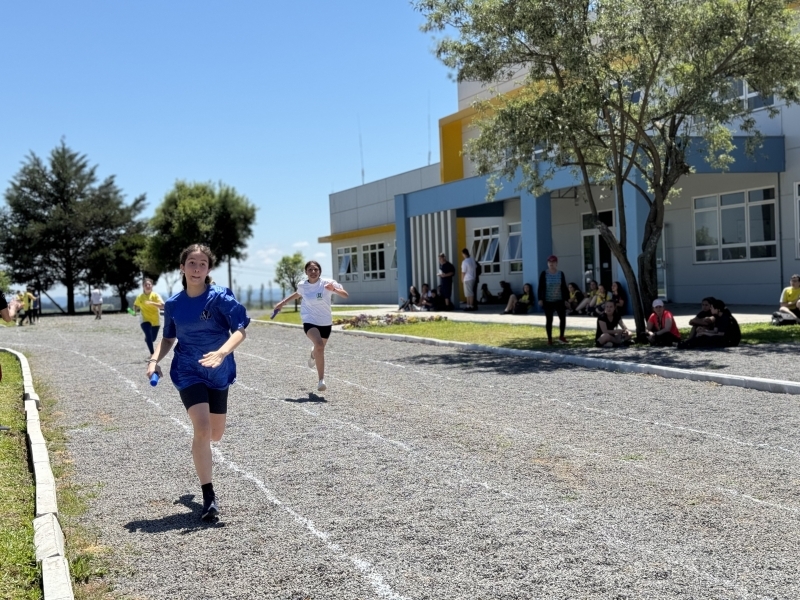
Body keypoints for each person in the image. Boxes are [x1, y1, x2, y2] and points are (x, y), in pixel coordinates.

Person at [146, 244, 250, 522]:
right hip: (188, 369)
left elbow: (240, 329)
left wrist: (222, 352)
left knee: (215, 434)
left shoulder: (220, 298)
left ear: (208, 269)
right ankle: (209, 497)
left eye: (202, 264)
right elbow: (168, 337)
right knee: (202, 429)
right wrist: (154, 359)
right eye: (191, 263)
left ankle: (200, 454)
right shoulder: (174, 304)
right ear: (182, 267)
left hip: (218, 369)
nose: (196, 268)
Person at [274, 260, 349, 392]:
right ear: (306, 272)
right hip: (309, 320)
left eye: (316, 269)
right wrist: (282, 303)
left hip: (325, 322)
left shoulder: (327, 283)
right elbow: (298, 293)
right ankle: (321, 380)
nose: (313, 272)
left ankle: (313, 354)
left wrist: (334, 289)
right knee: (320, 346)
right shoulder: (302, 285)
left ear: (319, 271)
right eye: (310, 270)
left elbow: (345, 295)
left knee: (319, 348)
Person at [538, 255, 570, 345]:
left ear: (556, 263)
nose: (551, 264)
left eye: (553, 262)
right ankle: (549, 339)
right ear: (548, 263)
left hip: (559, 300)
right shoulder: (544, 274)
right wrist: (540, 299)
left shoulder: (560, 273)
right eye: (549, 262)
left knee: (562, 319)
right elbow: (540, 287)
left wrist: (566, 299)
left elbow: (563, 287)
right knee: (549, 320)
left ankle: (562, 336)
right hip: (548, 301)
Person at [134, 278, 165, 357]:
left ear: (152, 286)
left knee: (152, 339)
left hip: (155, 321)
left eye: (149, 285)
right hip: (144, 320)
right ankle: (152, 354)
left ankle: (148, 339)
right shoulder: (140, 296)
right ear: (143, 286)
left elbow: (162, 306)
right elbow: (136, 305)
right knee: (148, 334)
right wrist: (134, 311)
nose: (148, 286)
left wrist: (152, 303)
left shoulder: (155, 295)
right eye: (146, 285)